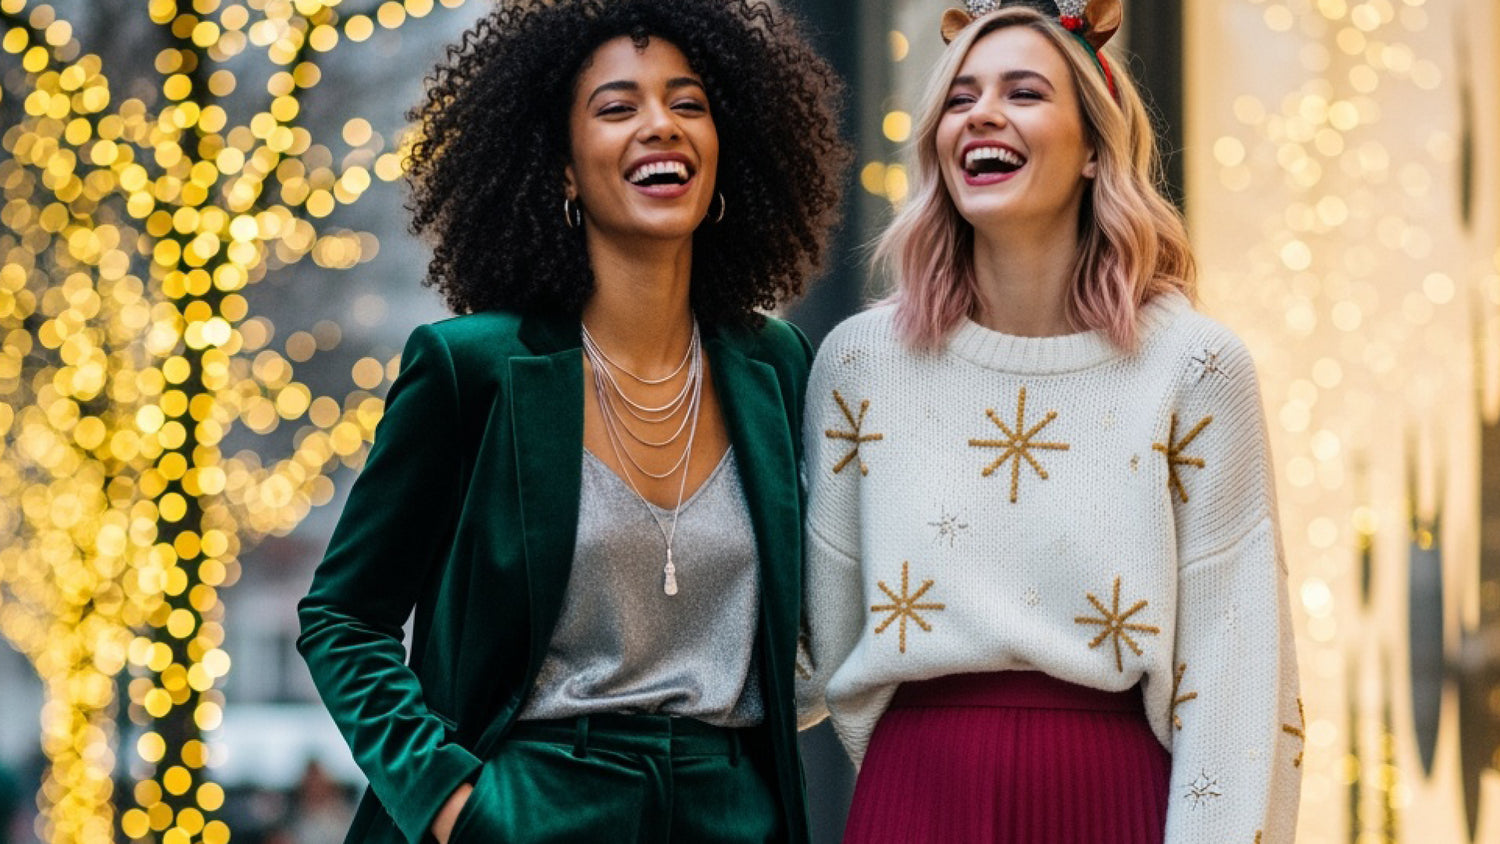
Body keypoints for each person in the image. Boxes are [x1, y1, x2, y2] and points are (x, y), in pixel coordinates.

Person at [296, 0, 848, 841]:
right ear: (560, 167)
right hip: (534, 804)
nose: (660, 126)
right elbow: (344, 617)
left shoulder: (777, 365)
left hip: (733, 810)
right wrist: (452, 803)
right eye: (618, 107)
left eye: (688, 103)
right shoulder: (470, 369)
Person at [795, 1, 1301, 842]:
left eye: (1023, 93)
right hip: (915, 795)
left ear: (1097, 149)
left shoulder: (1196, 370)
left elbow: (1238, 671)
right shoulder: (861, 364)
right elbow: (808, 647)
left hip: (1111, 796)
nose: (982, 114)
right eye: (959, 99)